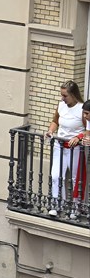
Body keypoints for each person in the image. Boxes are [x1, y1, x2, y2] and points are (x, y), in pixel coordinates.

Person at [46, 81, 85, 213]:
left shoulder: (81, 109)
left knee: (75, 178)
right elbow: (55, 121)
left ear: (73, 95)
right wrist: (50, 131)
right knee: (56, 176)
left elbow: (88, 130)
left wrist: (78, 137)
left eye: (65, 96)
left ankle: (76, 209)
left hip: (75, 148)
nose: (62, 98)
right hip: (59, 145)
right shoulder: (61, 105)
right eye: (61, 95)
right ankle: (57, 205)